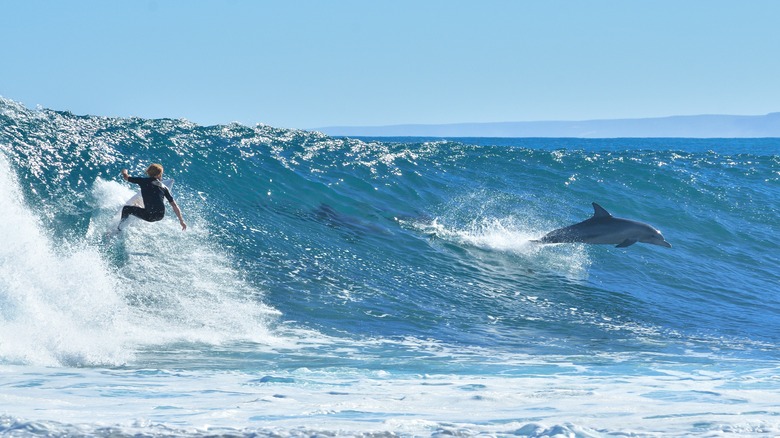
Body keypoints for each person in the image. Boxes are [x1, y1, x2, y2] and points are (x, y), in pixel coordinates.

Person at [119, 163, 187, 231]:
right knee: (143, 206)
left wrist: (124, 172)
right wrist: (181, 221)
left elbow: (126, 177)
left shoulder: (142, 181)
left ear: (148, 172)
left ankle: (119, 228)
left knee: (126, 209)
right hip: (160, 216)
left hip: (149, 216)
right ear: (159, 174)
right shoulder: (164, 188)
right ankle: (138, 209)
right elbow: (174, 205)